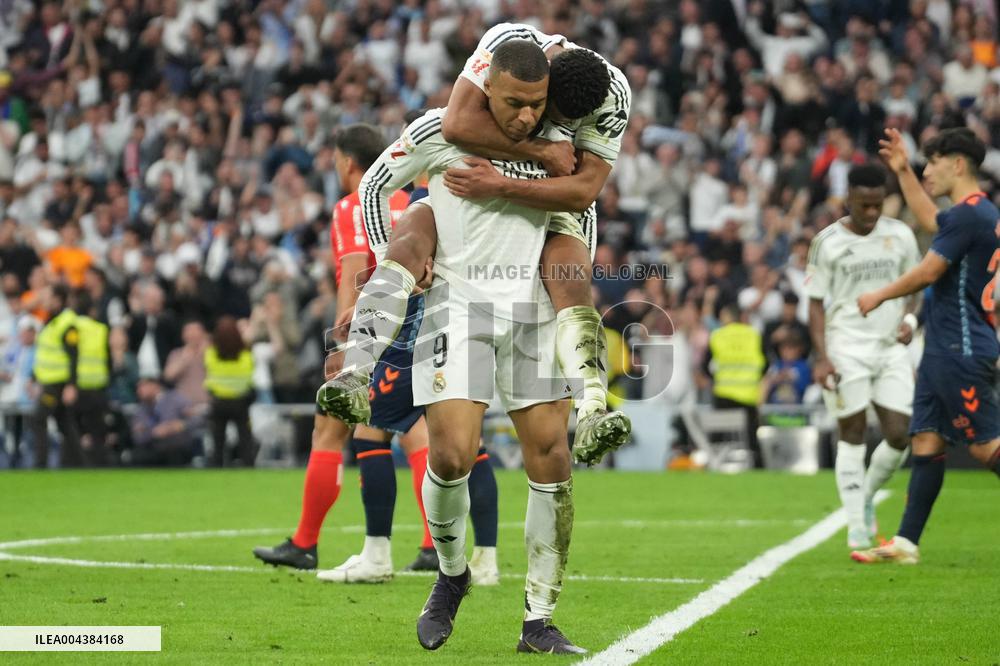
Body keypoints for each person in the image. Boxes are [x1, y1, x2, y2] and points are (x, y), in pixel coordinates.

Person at [341, 40, 586, 654]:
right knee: (451, 457)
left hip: (528, 307)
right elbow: (374, 187)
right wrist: (394, 259)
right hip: (456, 305)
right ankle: (451, 578)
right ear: (485, 86)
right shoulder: (437, 129)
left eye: (536, 104)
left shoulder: (560, 140)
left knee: (552, 459)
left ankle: (539, 620)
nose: (527, 116)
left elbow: (578, 216)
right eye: (513, 103)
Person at [322, 22, 632, 468]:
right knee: (445, 452)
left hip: (544, 233)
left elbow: (584, 195)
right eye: (543, 111)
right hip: (458, 279)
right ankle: (355, 373)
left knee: (570, 276)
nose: (537, 123)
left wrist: (505, 183)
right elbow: (454, 124)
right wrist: (538, 154)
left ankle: (593, 408)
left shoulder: (612, 96)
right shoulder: (502, 51)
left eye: (556, 122)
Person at [253, 124, 500, 583]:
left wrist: (347, 346)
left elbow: (352, 273)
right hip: (439, 322)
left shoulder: (355, 205)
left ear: (347, 163)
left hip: (385, 329)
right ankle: (435, 547)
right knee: (421, 434)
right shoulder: (421, 200)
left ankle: (315, 543)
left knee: (344, 428)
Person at [852, 127, 1000, 564]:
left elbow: (927, 272)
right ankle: (906, 542)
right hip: (945, 347)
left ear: (957, 165)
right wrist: (902, 171)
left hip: (960, 348)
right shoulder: (976, 213)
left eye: (933, 162)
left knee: (985, 445)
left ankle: (905, 540)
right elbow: (933, 220)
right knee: (927, 441)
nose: (926, 170)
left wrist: (879, 295)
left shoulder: (969, 216)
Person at [806, 163, 921, 549]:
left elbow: (916, 284)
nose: (872, 213)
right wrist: (822, 357)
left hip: (890, 347)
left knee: (900, 435)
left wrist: (909, 316)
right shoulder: (827, 241)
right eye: (865, 205)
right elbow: (816, 305)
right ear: (848, 200)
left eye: (878, 205)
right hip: (845, 347)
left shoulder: (900, 234)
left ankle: (866, 495)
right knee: (852, 434)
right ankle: (857, 526)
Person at [705, 303, 766, 468]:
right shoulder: (754, 334)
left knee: (718, 436)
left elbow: (705, 365)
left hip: (723, 393)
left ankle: (715, 465)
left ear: (727, 317)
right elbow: (765, 364)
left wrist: (716, 377)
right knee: (751, 438)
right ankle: (758, 468)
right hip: (748, 394)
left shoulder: (717, 335)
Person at [30, 284, 81, 468]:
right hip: (49, 380)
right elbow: (45, 353)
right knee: (65, 423)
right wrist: (33, 376)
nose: (44, 300)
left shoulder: (67, 323)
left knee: (38, 418)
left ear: (58, 299)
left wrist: (71, 385)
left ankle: (40, 464)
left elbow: (74, 355)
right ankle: (79, 464)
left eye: (47, 296)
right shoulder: (51, 321)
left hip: (58, 383)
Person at [204, 316, 255, 467]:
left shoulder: (211, 354)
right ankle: (248, 465)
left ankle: (217, 467)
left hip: (219, 401)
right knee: (245, 438)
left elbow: (209, 372)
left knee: (218, 440)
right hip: (240, 401)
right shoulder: (246, 355)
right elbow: (250, 375)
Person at [73, 292, 112, 466]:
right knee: (98, 431)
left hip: (77, 385)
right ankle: (98, 464)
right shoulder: (101, 329)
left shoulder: (73, 328)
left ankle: (76, 462)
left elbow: (69, 356)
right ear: (92, 310)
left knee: (74, 429)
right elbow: (108, 359)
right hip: (98, 386)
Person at [130, 376, 200, 467]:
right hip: (152, 448)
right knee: (137, 456)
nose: (138, 391)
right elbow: (137, 436)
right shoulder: (141, 409)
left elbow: (197, 419)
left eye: (142, 386)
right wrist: (153, 433)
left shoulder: (176, 399)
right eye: (137, 388)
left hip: (176, 447)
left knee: (175, 453)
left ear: (155, 385)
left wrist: (180, 425)